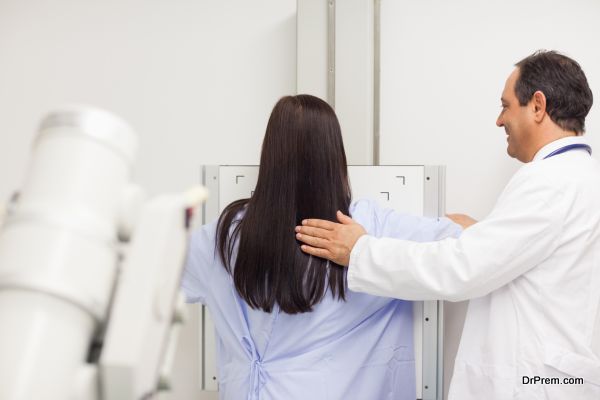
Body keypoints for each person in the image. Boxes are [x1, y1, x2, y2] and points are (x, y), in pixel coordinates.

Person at [295, 50, 600, 399]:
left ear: (537, 105)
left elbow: (461, 268)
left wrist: (361, 251)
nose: (499, 121)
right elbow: (532, 257)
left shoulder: (551, 182)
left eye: (505, 106)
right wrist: (487, 233)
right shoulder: (578, 177)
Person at [181, 94, 461, 399]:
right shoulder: (367, 228)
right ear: (334, 157)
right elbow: (469, 242)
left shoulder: (225, 237)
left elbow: (149, 275)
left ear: (269, 155)